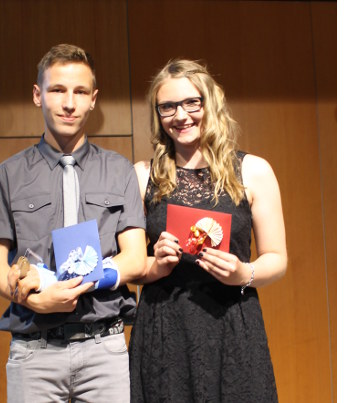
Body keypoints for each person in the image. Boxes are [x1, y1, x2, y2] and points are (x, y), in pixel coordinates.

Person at [0, 43, 146, 403]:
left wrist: (77, 281)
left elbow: (135, 258)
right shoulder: (7, 175)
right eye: (57, 90)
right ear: (38, 95)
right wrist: (33, 300)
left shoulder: (119, 170)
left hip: (105, 350)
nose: (69, 103)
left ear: (93, 99)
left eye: (80, 92)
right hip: (34, 351)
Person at [128, 59, 288, 402]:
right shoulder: (141, 176)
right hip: (163, 329)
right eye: (168, 106)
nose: (180, 115)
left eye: (191, 102)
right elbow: (130, 264)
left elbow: (277, 258)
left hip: (231, 324)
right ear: (158, 114)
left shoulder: (254, 171)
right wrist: (155, 263)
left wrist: (244, 273)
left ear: (210, 103)